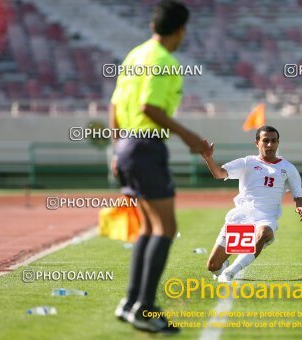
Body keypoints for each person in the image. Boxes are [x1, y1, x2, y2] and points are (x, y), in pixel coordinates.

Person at [110, 1, 208, 333]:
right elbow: (149, 106)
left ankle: (131, 302)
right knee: (164, 228)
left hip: (128, 145)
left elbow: (114, 106)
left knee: (149, 228)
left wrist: (116, 150)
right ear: (181, 30)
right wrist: (189, 136)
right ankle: (144, 308)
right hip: (146, 147)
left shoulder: (135, 55)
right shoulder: (163, 61)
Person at [201, 125, 302, 282]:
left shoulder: (289, 168)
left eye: (274, 141)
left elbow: (299, 195)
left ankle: (230, 272)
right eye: (265, 141)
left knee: (264, 233)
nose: (270, 145)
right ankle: (223, 269)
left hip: (265, 219)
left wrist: (300, 206)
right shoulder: (247, 162)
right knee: (213, 266)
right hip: (241, 218)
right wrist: (208, 158)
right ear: (257, 143)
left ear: (278, 143)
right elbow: (219, 173)